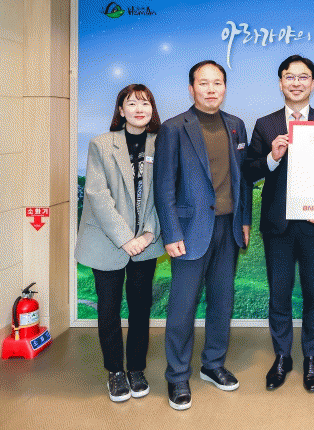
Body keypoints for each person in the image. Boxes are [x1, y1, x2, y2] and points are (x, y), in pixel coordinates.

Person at [154, 60, 252, 410]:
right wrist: (171, 232)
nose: (211, 89)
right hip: (189, 230)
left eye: (218, 82)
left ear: (225, 87)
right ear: (191, 88)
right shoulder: (173, 128)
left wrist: (244, 220)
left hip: (228, 228)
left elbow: (241, 179)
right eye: (204, 83)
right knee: (182, 307)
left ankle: (213, 364)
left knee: (222, 301)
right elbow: (164, 186)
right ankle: (178, 375)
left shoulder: (236, 125)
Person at [243, 55, 314, 392]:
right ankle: (282, 356)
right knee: (279, 295)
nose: (296, 83)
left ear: (313, 83)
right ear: (281, 82)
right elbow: (249, 170)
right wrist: (272, 157)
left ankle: (311, 357)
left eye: (303, 77)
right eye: (290, 77)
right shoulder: (265, 124)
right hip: (278, 226)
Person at [75, 84, 164, 402]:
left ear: (152, 109)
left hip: (146, 243)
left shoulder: (161, 144)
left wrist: (149, 233)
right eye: (132, 103)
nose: (139, 109)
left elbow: (164, 192)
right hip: (108, 241)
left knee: (141, 309)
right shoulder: (101, 144)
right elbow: (97, 195)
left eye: (145, 103)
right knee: (109, 309)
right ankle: (115, 371)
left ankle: (136, 369)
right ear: (121, 110)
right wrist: (126, 238)